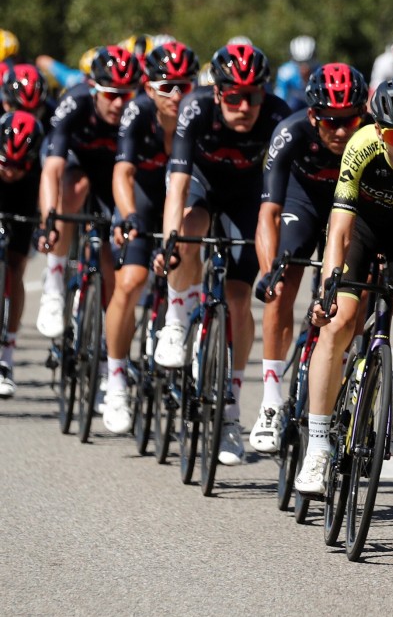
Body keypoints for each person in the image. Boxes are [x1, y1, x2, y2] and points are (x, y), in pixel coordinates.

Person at [294, 78, 393, 495]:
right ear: (380, 131)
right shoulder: (361, 146)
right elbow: (339, 229)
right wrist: (328, 287)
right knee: (339, 323)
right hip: (364, 232)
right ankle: (319, 446)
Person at [153, 44, 290, 465]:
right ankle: (177, 318)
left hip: (248, 197)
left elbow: (284, 192)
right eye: (233, 96)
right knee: (189, 233)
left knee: (237, 297)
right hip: (200, 185)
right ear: (217, 94)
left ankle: (230, 410)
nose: (244, 106)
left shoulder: (277, 114)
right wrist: (168, 242)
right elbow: (176, 185)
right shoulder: (194, 108)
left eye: (253, 96)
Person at [250, 62, 369, 453]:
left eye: (349, 121)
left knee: (359, 294)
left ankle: (342, 373)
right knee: (281, 285)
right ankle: (270, 400)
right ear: (314, 114)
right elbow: (268, 212)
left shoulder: (372, 135)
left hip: (352, 211)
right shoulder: (291, 131)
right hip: (304, 205)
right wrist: (269, 271)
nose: (339, 131)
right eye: (330, 121)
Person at [101, 42, 199, 434]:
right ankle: (117, 379)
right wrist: (127, 217)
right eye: (167, 87)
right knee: (131, 281)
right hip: (142, 200)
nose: (176, 96)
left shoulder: (200, 116)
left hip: (185, 201)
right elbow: (122, 174)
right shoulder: (137, 113)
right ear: (148, 89)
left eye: (185, 87)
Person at [35, 46, 144, 345]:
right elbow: (52, 170)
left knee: (110, 263)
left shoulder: (138, 111)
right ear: (94, 88)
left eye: (127, 94)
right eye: (111, 94)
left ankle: (110, 353)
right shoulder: (75, 102)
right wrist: (49, 222)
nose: (120, 103)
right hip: (76, 165)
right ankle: (55, 282)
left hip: (114, 176)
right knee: (74, 187)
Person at [0, 111, 45, 397]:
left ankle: (7, 355)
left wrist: (43, 226)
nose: (11, 171)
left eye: (20, 165)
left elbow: (46, 197)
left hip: (23, 199)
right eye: (5, 163)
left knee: (16, 267)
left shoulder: (34, 169)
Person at [274, 35, 320, 111]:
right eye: (299, 62)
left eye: (308, 61)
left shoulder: (320, 72)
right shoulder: (285, 73)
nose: (304, 66)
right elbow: (280, 100)